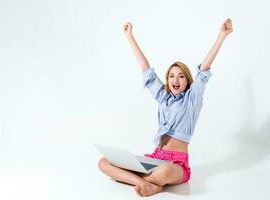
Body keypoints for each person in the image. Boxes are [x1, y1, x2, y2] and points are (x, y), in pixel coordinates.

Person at [98, 18, 233, 197]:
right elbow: (146, 69)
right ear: (167, 80)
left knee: (164, 172)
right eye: (171, 76)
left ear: (188, 80)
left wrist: (221, 36)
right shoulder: (163, 97)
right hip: (155, 158)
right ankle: (147, 184)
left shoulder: (192, 99)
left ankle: (141, 179)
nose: (175, 80)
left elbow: (204, 69)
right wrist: (130, 37)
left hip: (176, 165)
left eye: (181, 76)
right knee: (104, 162)